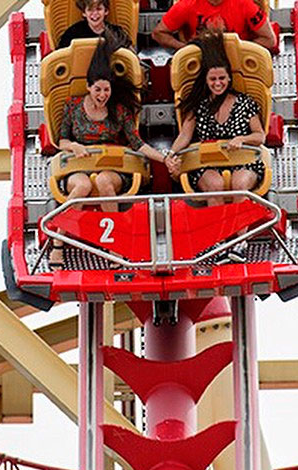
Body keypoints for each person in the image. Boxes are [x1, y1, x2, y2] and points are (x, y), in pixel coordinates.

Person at [49, 37, 179, 269]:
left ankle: (114, 244)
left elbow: (137, 143)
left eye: (106, 89)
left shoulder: (118, 110)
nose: (102, 95)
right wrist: (74, 146)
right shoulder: (73, 106)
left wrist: (165, 157)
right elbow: (62, 140)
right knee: (83, 187)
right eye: (97, 89)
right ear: (88, 87)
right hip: (81, 164)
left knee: (103, 181)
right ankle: (57, 242)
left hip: (111, 167)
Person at [168, 31, 266, 206]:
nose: (217, 83)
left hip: (241, 160)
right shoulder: (198, 105)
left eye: (222, 78)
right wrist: (171, 154)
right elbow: (185, 135)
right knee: (215, 185)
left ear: (229, 78)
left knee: (240, 184)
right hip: (208, 162)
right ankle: (221, 233)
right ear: (206, 80)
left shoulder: (244, 102)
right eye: (213, 79)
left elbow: (260, 136)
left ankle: (240, 232)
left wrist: (242, 139)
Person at [152, 0, 276, 51]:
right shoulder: (187, 5)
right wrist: (184, 48)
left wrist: (238, 49)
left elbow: (270, 40)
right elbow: (158, 33)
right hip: (200, 59)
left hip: (237, 59)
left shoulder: (245, 4)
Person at [58, 0, 132, 49]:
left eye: (99, 9)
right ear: (84, 13)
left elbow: (131, 56)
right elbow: (59, 57)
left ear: (106, 11)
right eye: (90, 10)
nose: (95, 14)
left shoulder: (116, 33)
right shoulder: (72, 33)